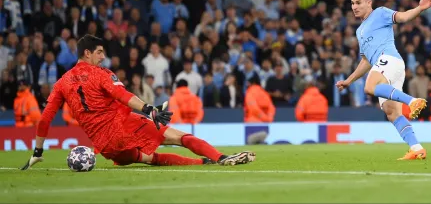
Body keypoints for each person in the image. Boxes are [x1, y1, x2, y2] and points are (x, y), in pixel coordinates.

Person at [21, 35, 255, 170]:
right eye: (99, 52)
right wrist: (148, 109)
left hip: (107, 148)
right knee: (178, 137)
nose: (103, 57)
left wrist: (38, 151)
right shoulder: (101, 74)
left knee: (151, 159)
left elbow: (45, 119)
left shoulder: (62, 82)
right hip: (123, 126)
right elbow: (123, 96)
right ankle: (222, 158)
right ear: (87, 53)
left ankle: (202, 162)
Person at [335, 0, 431, 160]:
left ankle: (413, 101)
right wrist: (348, 81)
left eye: (358, 3)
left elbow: (402, 17)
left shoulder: (380, 13)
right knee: (392, 113)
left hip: (389, 59)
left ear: (368, 2)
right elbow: (365, 61)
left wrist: (419, 9)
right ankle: (417, 148)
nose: (354, 7)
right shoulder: (359, 31)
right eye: (352, 3)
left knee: (370, 86)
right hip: (384, 67)